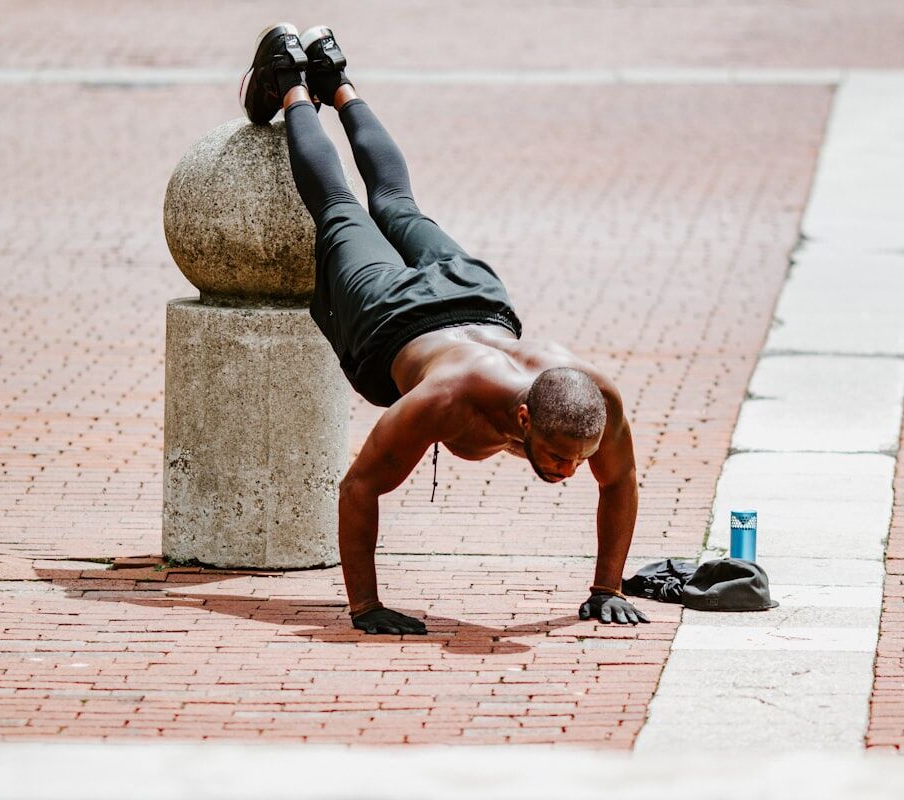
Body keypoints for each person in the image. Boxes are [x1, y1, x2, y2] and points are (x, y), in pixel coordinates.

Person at [240, 23, 650, 635]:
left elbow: (619, 480)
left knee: (398, 204)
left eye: (576, 460)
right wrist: (365, 607)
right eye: (562, 460)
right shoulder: (443, 400)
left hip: (476, 297)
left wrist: (606, 588)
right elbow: (358, 489)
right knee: (340, 207)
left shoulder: (596, 399)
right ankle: (293, 79)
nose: (569, 473)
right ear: (523, 419)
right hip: (391, 313)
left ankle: (338, 78)